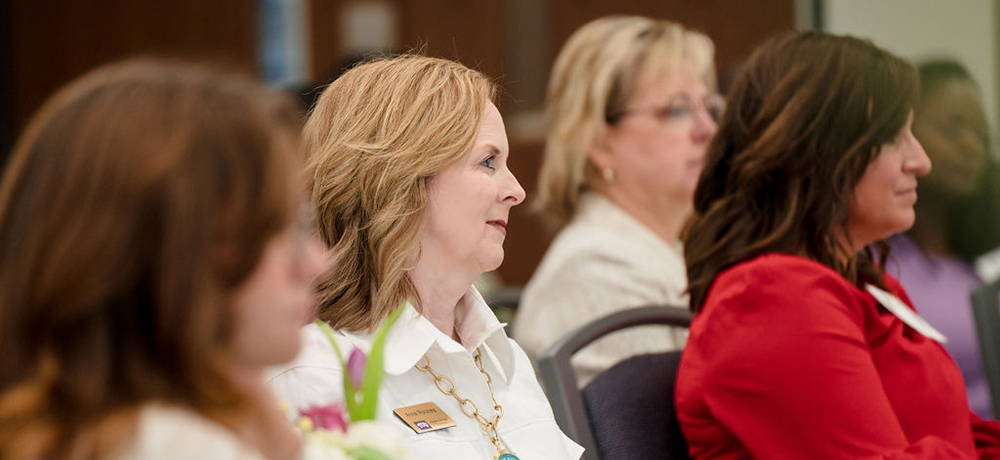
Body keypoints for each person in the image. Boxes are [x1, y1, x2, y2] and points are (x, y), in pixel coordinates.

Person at [678, 31, 1000, 459]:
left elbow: (963, 433)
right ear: (817, 151)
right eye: (892, 138)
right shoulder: (769, 296)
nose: (920, 161)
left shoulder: (866, 283)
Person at [0, 59, 329, 460]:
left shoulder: (98, 432)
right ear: (178, 259)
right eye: (284, 232)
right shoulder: (180, 446)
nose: (318, 263)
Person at [268, 55, 583, 460]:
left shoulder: (500, 354)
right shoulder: (317, 372)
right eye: (488, 162)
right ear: (400, 179)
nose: (516, 190)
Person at [512, 15, 720, 386]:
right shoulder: (599, 272)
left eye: (709, 108)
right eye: (676, 109)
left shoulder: (664, 251)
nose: (708, 129)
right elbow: (661, 443)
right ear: (598, 143)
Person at [889, 59, 1000, 419]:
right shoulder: (879, 262)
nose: (973, 147)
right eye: (952, 130)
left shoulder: (976, 266)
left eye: (982, 136)